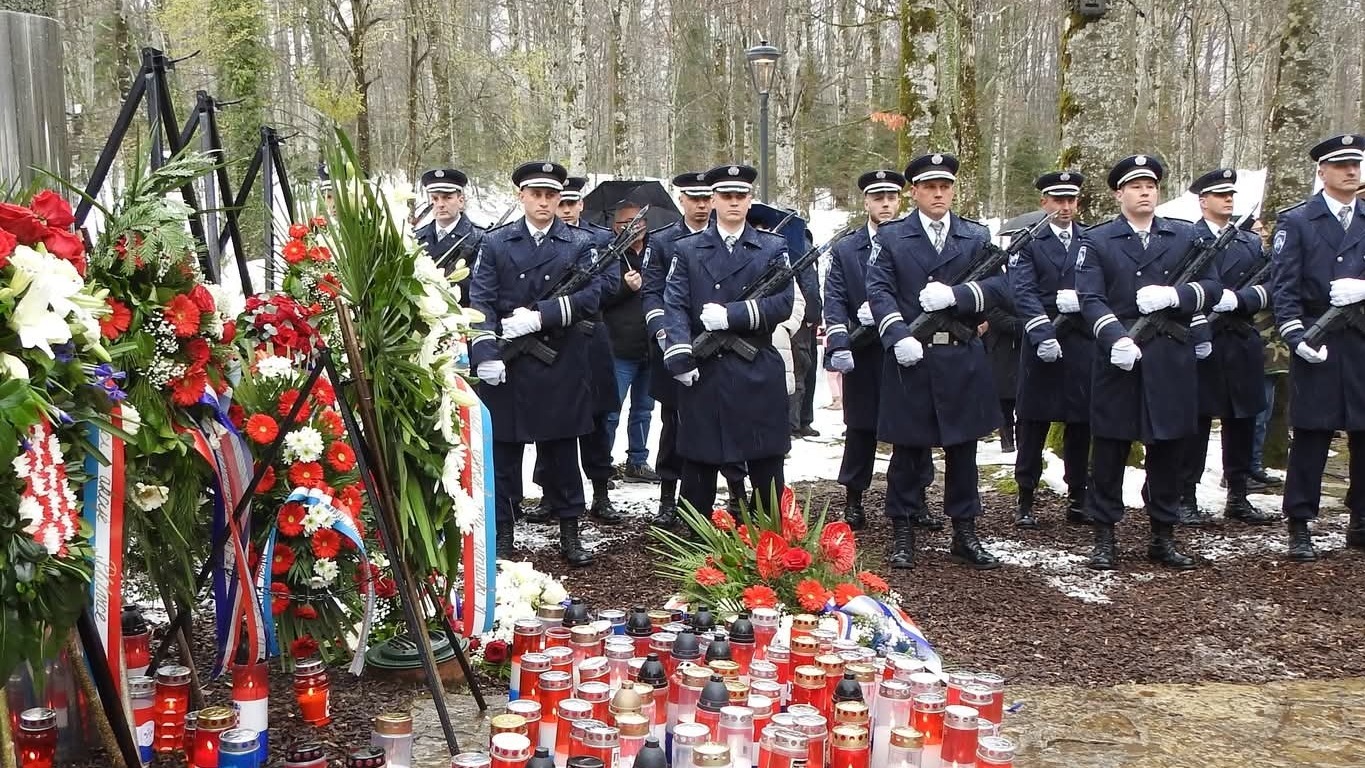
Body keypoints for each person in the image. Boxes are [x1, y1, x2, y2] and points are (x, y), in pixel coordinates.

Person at [1075, 154, 1219, 571]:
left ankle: (1163, 533)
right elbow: (1090, 297)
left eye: (1151, 186)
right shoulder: (1098, 240)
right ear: (1120, 193)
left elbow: (1210, 285)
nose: (1145, 193)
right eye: (1136, 186)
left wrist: (1177, 297)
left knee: (1169, 448)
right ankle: (1104, 536)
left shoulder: (1183, 236)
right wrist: (1113, 336)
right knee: (1110, 449)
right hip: (1120, 358)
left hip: (1169, 356)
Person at [468, 161, 613, 566]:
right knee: (504, 456)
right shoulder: (496, 243)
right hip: (510, 367)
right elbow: (480, 302)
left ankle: (570, 532)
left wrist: (543, 315)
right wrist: (485, 354)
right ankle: (504, 532)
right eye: (537, 194)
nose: (545, 202)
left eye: (552, 195)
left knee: (564, 454)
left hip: (561, 362)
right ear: (522, 197)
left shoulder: (579, 243)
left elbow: (592, 295)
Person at [866, 153, 1005, 570]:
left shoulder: (975, 236)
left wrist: (957, 297)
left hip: (960, 355)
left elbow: (1002, 286)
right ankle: (903, 531)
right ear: (915, 192)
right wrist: (896, 335)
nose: (938, 193)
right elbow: (879, 291)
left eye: (944, 186)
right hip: (913, 357)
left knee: (963, 452)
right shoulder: (892, 238)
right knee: (907, 452)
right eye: (929, 187)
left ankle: (965, 531)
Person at [661, 164, 794, 518]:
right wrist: (679, 354)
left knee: (765, 460)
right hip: (706, 369)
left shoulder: (772, 247)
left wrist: (732, 315)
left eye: (741, 196)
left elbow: (782, 303)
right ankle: (695, 543)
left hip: (755, 366)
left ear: (750, 201)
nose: (734, 202)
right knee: (700, 459)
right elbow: (672, 303)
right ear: (715, 200)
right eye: (726, 196)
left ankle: (770, 542)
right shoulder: (687, 249)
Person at [1271, 133, 1365, 561]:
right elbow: (1284, 289)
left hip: (1360, 340)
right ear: (1322, 171)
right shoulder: (1297, 221)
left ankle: (1360, 518)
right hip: (1319, 337)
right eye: (1342, 165)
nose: (1351, 172)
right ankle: (1300, 522)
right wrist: (1295, 336)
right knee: (1312, 435)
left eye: (1356, 165)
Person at [521, 175, 625, 526]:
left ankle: (601, 492)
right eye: (559, 203)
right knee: (550, 419)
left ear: (580, 205)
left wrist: (569, 302)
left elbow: (610, 285)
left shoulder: (599, 240)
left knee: (595, 421)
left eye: (569, 203)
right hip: (543, 342)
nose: (564, 210)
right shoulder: (536, 240)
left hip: (588, 336)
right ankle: (551, 495)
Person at [1180, 169, 1279, 526]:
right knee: (1197, 423)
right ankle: (1185, 495)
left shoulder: (1248, 243)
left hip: (1240, 337)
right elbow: (1179, 285)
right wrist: (1203, 315)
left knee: (1243, 419)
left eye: (1231, 195)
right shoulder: (1188, 239)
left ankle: (1238, 495)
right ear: (1203, 201)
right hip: (1202, 338)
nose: (1228, 200)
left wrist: (1240, 299)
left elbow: (1269, 287)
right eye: (1220, 195)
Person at [1009, 171, 1092, 528]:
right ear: (1044, 203)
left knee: (1080, 423)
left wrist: (1083, 301)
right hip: (1041, 337)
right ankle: (1025, 497)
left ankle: (1078, 497)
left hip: (1080, 340)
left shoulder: (1089, 239)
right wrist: (1043, 331)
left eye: (1071, 200)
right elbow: (1022, 291)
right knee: (1033, 423)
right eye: (1058, 200)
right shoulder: (1028, 241)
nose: (1065, 207)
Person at [823, 169, 905, 531]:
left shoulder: (909, 240)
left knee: (910, 426)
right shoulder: (846, 248)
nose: (885, 204)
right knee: (860, 428)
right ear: (866, 202)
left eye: (890, 197)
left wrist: (891, 313)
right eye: (878, 198)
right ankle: (854, 499)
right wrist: (840, 341)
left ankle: (911, 499)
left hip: (902, 346)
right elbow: (835, 298)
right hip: (863, 349)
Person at [644, 172, 716, 526]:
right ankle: (669, 497)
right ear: (682, 200)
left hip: (718, 346)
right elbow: (652, 292)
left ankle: (724, 496)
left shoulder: (725, 238)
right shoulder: (662, 241)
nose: (701, 205)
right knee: (673, 422)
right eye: (694, 199)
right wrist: (663, 331)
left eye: (706, 199)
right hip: (674, 347)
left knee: (718, 421)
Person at [600, 196, 661, 483]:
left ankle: (638, 460)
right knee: (612, 410)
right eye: (628, 222)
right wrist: (625, 287)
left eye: (640, 222)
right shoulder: (609, 255)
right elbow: (597, 298)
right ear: (615, 226)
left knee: (644, 409)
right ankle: (604, 463)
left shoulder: (656, 252)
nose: (635, 227)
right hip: (619, 346)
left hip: (650, 345)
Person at [413, 168, 484, 303]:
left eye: (447, 197)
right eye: (435, 198)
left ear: (461, 201)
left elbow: (477, 284)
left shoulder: (479, 238)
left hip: (461, 313)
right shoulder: (416, 238)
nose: (440, 204)